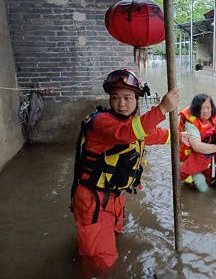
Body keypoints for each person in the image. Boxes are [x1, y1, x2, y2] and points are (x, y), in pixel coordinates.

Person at [70, 68, 188, 271]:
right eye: (115, 97)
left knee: (116, 236)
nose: (121, 103)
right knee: (101, 263)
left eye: (127, 97)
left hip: (114, 197)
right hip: (93, 200)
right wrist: (162, 109)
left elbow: (149, 134)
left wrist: (176, 137)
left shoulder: (131, 123)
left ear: (137, 98)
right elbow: (126, 134)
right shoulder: (102, 123)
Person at [178, 94, 216, 191]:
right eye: (202, 108)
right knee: (204, 189)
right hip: (192, 160)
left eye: (208, 107)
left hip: (208, 158)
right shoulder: (190, 123)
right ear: (196, 109)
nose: (206, 111)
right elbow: (197, 147)